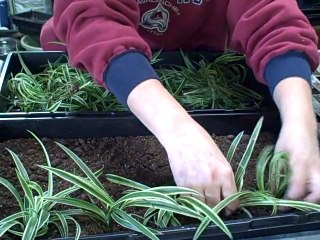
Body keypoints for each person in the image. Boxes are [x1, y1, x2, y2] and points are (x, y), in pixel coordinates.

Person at [40, 0, 320, 213]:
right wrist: (178, 131)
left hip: (195, 67)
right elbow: (95, 22)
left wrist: (300, 123)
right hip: (92, 70)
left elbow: (272, 18)